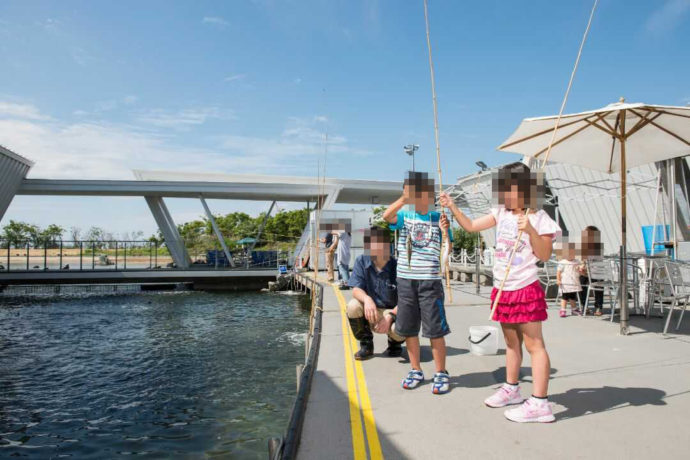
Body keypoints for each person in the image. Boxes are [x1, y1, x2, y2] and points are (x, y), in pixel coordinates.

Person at [440, 162, 561, 423]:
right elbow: (471, 226)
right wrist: (452, 207)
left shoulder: (540, 218)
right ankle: (512, 389)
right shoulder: (500, 213)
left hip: (525, 287)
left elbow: (545, 254)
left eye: (510, 188)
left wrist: (529, 230)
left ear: (525, 189)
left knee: (534, 345)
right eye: (503, 188)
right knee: (510, 343)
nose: (505, 194)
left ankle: (540, 403)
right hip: (503, 288)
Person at [383, 171, 452, 395]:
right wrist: (403, 199)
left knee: (435, 330)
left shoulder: (438, 217)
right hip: (406, 280)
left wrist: (446, 231)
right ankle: (416, 370)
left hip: (430, 281)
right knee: (409, 329)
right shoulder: (405, 213)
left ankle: (441, 372)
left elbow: (447, 246)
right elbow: (386, 217)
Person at [346, 227, 405, 360]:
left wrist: (390, 316)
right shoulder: (362, 261)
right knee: (353, 306)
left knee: (400, 328)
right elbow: (356, 288)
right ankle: (366, 344)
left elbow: (406, 299)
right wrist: (367, 299)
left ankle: (394, 343)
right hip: (371, 310)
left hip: (392, 311)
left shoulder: (398, 266)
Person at [578, 225, 604, 316]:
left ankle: (598, 306)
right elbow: (582, 261)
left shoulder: (598, 247)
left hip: (596, 272)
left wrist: (583, 267)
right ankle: (585, 306)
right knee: (582, 282)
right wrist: (581, 267)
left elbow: (592, 261)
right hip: (587, 272)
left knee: (597, 284)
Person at [557, 242, 582, 317]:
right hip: (565, 282)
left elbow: (579, 268)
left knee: (572, 296)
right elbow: (558, 272)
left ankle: (574, 309)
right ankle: (563, 310)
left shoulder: (577, 261)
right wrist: (558, 279)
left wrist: (580, 269)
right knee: (565, 297)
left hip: (573, 282)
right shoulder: (563, 262)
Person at [332, 223, 352, 290]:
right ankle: (348, 283)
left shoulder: (343, 233)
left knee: (343, 269)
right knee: (345, 269)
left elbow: (332, 232)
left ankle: (346, 284)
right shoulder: (349, 234)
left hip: (342, 254)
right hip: (346, 254)